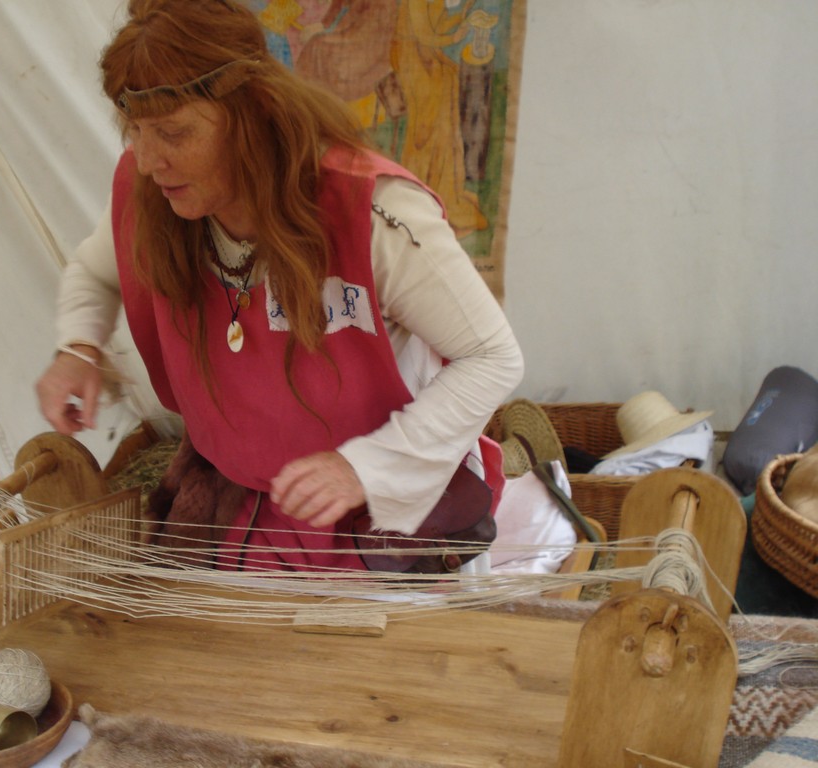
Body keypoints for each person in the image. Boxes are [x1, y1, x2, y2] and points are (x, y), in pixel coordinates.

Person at [35, 0, 524, 573]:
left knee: (364, 635)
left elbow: (492, 357)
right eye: (134, 130)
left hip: (378, 510)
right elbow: (96, 270)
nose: (147, 161)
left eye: (173, 132)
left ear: (253, 112)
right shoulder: (151, 196)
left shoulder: (372, 215)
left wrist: (366, 467)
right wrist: (78, 346)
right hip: (239, 499)